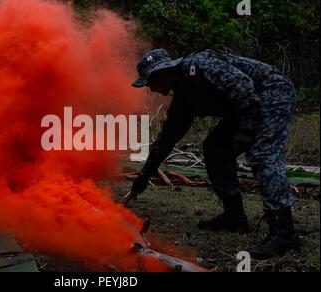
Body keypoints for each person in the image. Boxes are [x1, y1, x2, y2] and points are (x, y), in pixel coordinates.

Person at [128, 48, 300, 259]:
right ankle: (234, 216)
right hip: (245, 105)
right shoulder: (183, 98)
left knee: (263, 154)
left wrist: (246, 130)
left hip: (271, 93)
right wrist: (144, 175)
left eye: (150, 83)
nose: (151, 89)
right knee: (215, 148)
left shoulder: (200, 65)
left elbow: (243, 87)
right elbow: (166, 140)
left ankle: (284, 233)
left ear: (160, 74)